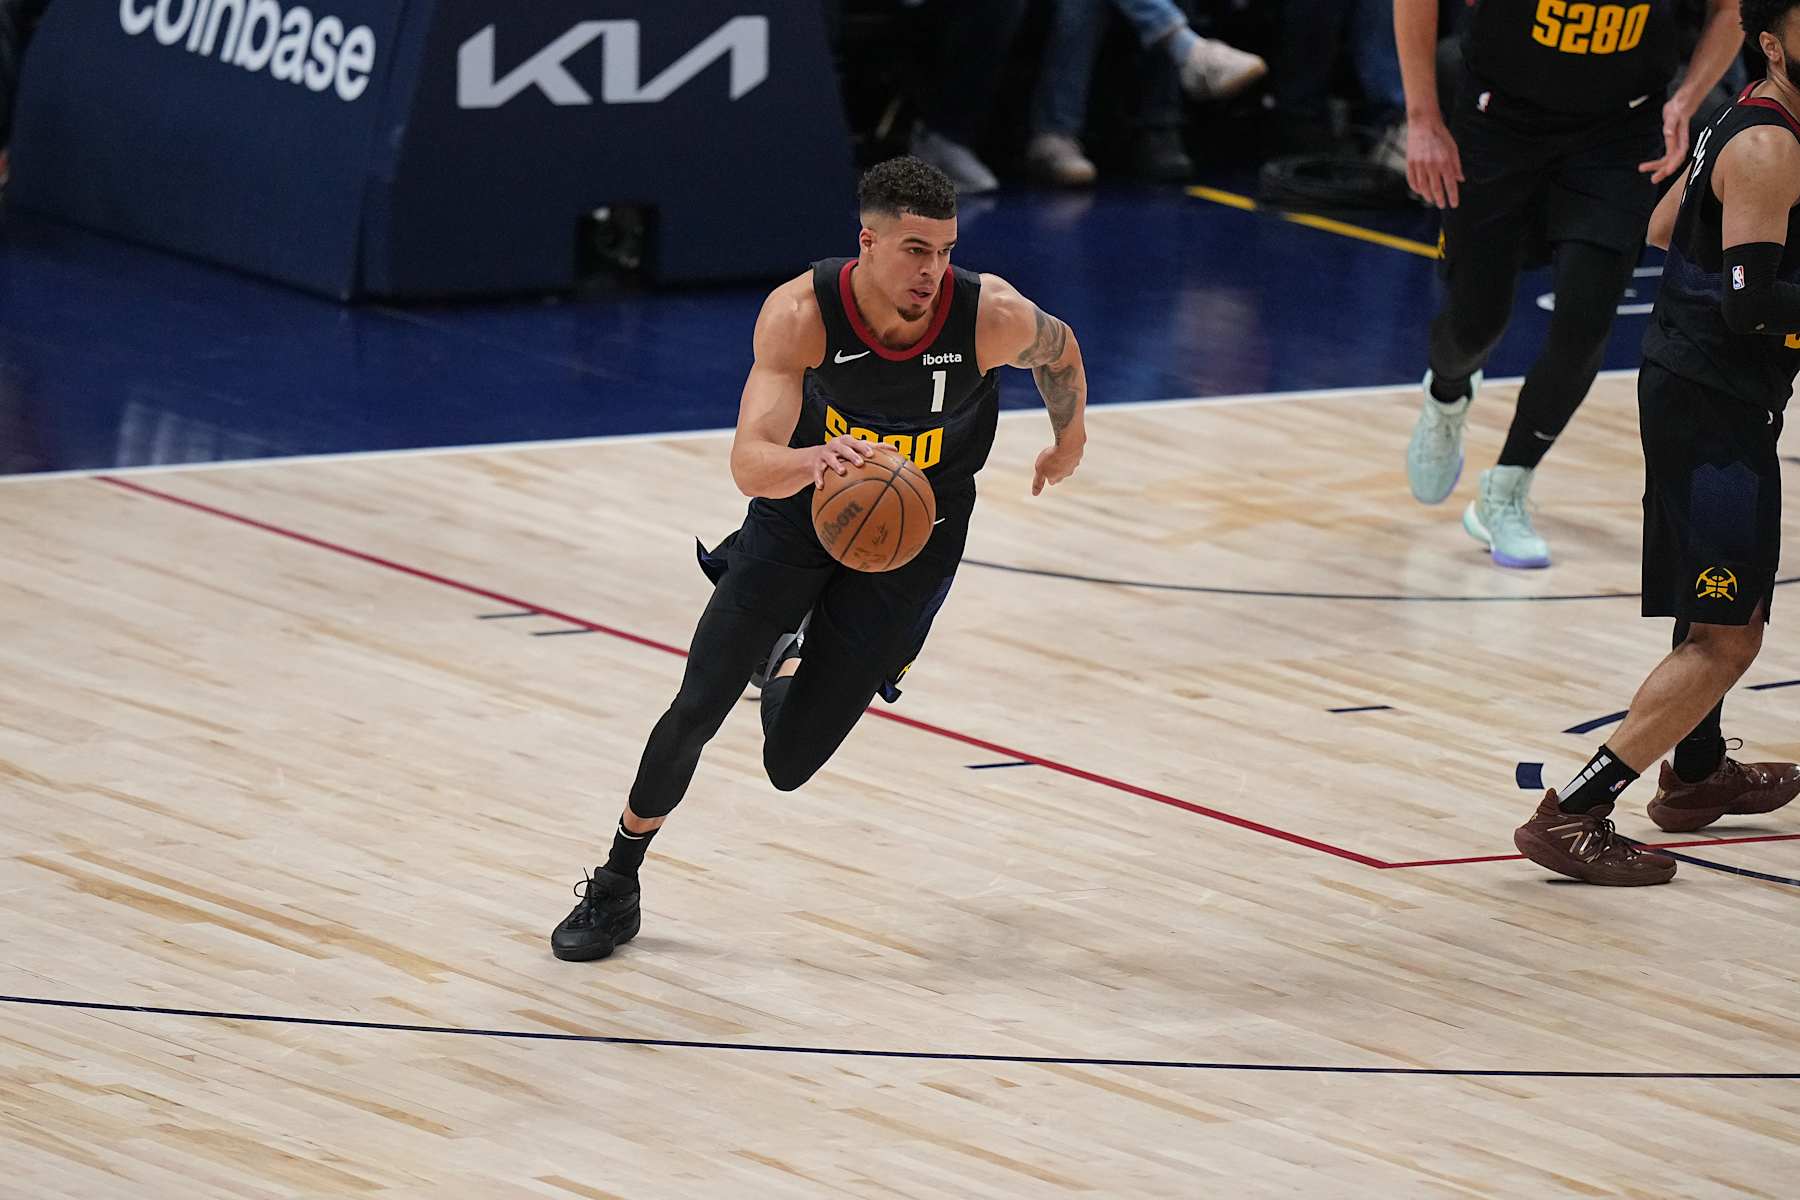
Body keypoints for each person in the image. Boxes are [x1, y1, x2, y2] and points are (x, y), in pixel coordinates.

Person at [551, 157, 1090, 959]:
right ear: (867, 241)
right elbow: (748, 460)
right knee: (698, 703)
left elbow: (1061, 349)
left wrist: (1068, 440)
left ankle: (790, 652)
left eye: (943, 250)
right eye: (914, 249)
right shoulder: (801, 314)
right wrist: (814, 463)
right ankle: (618, 881)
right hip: (801, 510)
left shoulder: (989, 316)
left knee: (790, 763)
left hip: (917, 532)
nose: (932, 270)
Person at [1513, 0, 1800, 885]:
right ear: (1772, 42)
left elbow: (1668, 225)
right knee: (1727, 635)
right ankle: (1577, 810)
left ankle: (1700, 773)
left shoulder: (1743, 119)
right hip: (1714, 411)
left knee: (1716, 604)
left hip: (1694, 391)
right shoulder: (1766, 146)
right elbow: (1754, 311)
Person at [1398, 0, 1744, 568]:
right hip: (1497, 119)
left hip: (1618, 133)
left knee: (1586, 322)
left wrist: (1687, 98)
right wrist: (1421, 119)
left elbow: (1731, 7)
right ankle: (1447, 394)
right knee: (1473, 323)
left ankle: (1507, 487)